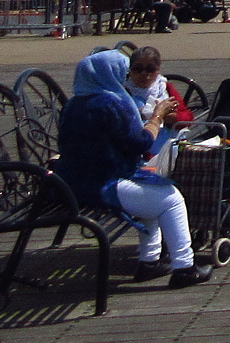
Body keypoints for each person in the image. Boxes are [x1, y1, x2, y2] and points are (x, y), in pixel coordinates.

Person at [55, 49, 210, 287]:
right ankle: (184, 267)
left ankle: (149, 262)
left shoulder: (74, 103)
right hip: (101, 184)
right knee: (172, 199)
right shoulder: (111, 103)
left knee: (149, 186)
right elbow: (140, 142)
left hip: (70, 182)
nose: (127, 75)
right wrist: (156, 118)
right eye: (125, 71)